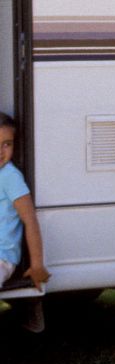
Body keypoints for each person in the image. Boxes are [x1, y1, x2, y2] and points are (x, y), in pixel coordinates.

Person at [0, 113, 50, 332]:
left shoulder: (10, 177)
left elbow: (29, 220)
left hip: (2, 257)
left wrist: (37, 265)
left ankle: (30, 304)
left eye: (6, 144)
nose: (1, 151)